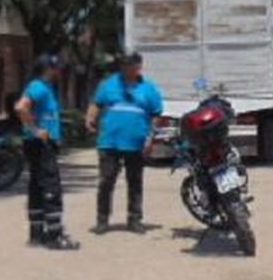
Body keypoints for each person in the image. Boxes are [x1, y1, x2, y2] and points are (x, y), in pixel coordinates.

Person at [86, 52, 164, 234]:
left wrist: (150, 138)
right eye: (123, 64)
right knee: (106, 182)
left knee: (135, 183)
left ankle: (134, 220)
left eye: (130, 65)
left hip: (136, 143)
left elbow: (156, 114)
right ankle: (102, 220)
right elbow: (96, 103)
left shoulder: (149, 88)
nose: (126, 68)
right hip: (109, 142)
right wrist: (90, 118)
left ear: (138, 66)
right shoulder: (109, 84)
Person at [15, 54, 78, 250]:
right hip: (40, 143)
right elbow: (21, 107)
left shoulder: (46, 87)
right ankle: (54, 235)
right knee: (51, 186)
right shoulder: (38, 87)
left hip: (38, 143)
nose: (59, 71)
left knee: (37, 186)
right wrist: (35, 129)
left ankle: (36, 233)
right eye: (56, 68)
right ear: (47, 69)